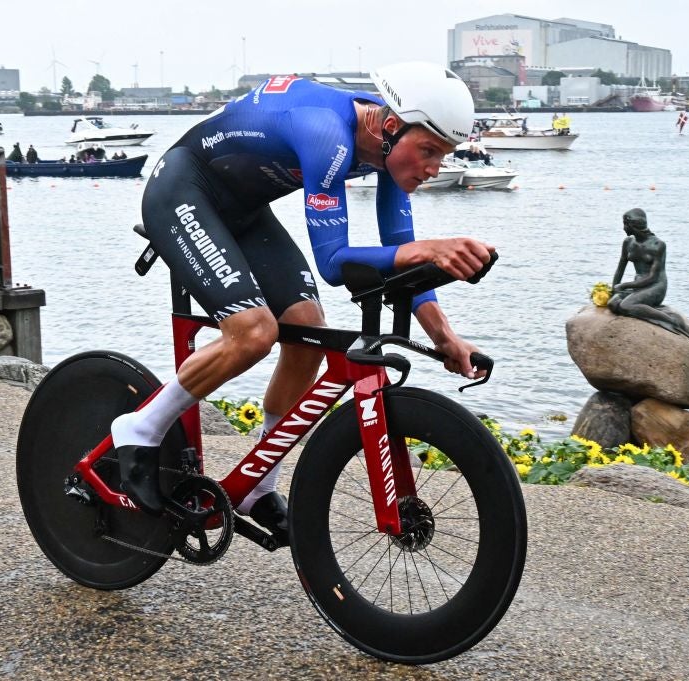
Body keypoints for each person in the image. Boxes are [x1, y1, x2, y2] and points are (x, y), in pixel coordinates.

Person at [110, 62, 493, 536]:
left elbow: (402, 252)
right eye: (430, 151)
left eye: (445, 153)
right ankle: (140, 428)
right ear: (391, 125)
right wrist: (426, 249)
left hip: (243, 210)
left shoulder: (392, 151)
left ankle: (255, 486)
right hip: (183, 190)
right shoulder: (326, 134)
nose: (435, 168)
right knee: (253, 332)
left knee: (308, 330)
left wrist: (446, 337)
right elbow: (334, 263)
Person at [608, 208, 689, 344]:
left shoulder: (658, 245)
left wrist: (624, 285)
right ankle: (648, 309)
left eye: (625, 224)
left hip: (656, 286)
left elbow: (653, 277)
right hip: (638, 285)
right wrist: (613, 288)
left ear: (634, 225)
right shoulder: (628, 242)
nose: (623, 228)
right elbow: (620, 267)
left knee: (626, 306)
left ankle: (673, 321)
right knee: (613, 303)